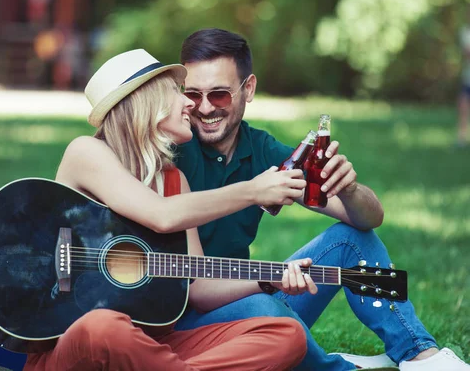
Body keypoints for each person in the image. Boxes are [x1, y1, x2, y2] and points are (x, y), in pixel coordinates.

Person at [172, 28, 470, 371]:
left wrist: (350, 189)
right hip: (186, 322)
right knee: (265, 310)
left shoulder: (263, 150)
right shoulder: (173, 149)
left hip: (246, 295)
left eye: (220, 95)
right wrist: (270, 278)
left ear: (248, 89)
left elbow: (369, 219)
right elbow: (197, 289)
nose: (205, 108)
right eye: (194, 95)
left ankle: (420, 355)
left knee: (351, 239)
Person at [23, 48, 307, 370]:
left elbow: (199, 285)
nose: (191, 103)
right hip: (78, 342)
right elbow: (162, 215)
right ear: (147, 101)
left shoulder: (174, 181)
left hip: (153, 347)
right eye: (176, 92)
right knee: (102, 327)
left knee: (286, 334)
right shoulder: (87, 152)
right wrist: (253, 190)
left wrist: (270, 278)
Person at [458, 13, 470, 148]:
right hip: (468, 78)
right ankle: (461, 137)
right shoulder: (465, 32)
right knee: (463, 108)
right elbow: (467, 53)